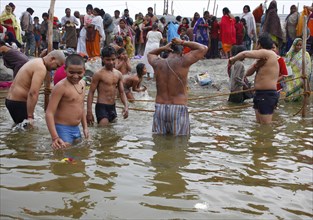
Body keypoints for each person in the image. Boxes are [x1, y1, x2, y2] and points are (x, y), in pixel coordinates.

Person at [147, 38, 207, 135]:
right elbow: (203, 48)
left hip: (160, 108)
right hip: (178, 108)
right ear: (182, 51)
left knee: (159, 144)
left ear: (168, 51)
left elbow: (150, 54)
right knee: (180, 144)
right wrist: (183, 42)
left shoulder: (158, 63)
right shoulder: (183, 61)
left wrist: (163, 48)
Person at [229, 33, 279, 124]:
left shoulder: (268, 53)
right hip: (259, 93)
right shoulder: (261, 58)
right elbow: (248, 73)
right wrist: (257, 65)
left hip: (267, 94)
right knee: (259, 124)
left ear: (259, 44)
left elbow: (245, 54)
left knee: (265, 125)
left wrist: (233, 59)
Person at [5, 50, 66, 125]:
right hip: (18, 103)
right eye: (57, 65)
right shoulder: (41, 68)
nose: (56, 69)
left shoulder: (36, 61)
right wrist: (30, 116)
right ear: (52, 59)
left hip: (10, 101)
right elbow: (33, 93)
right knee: (27, 132)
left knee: (19, 129)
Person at [45, 54, 88, 149]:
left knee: (78, 158)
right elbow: (49, 113)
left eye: (79, 73)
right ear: (65, 70)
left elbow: (81, 107)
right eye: (71, 72)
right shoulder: (61, 87)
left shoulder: (83, 83)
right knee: (65, 157)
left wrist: (85, 127)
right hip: (62, 128)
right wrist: (55, 137)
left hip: (76, 128)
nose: (75, 76)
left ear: (84, 71)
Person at [86, 46, 128, 126]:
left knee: (112, 133)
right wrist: (89, 111)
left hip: (112, 107)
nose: (111, 62)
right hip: (102, 107)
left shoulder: (118, 74)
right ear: (102, 59)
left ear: (116, 58)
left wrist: (126, 106)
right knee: (103, 130)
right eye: (108, 60)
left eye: (113, 59)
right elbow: (91, 92)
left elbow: (122, 92)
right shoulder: (98, 74)